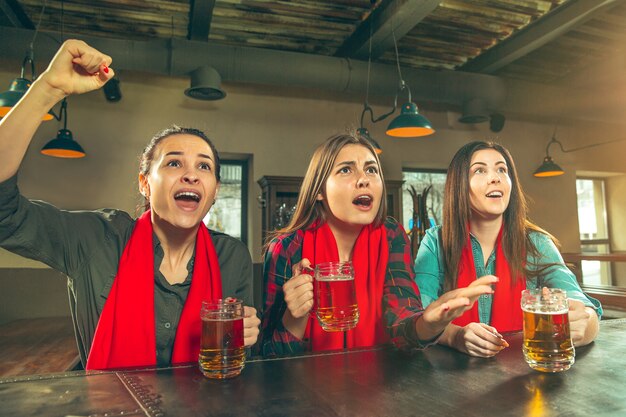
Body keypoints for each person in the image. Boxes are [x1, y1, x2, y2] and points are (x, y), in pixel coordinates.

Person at [0, 40, 260, 370]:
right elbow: (4, 213)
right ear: (145, 184)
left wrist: (248, 335)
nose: (192, 175)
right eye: (174, 163)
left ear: (213, 191)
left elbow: (237, 359)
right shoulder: (97, 238)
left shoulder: (232, 256)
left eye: (204, 166)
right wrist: (47, 89)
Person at [259, 133, 497, 356]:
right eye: (345, 170)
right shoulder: (287, 248)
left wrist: (429, 323)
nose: (364, 180)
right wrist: (295, 317)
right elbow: (268, 355)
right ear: (319, 190)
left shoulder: (392, 235)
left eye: (371, 170)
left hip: (379, 389)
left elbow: (401, 323)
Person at [414, 141, 602, 358]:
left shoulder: (537, 243)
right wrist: (455, 336)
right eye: (479, 170)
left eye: (502, 169)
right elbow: (419, 318)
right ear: (459, 186)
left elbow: (586, 310)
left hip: (525, 376)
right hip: (448, 380)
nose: (495, 177)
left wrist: (584, 324)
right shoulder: (435, 241)